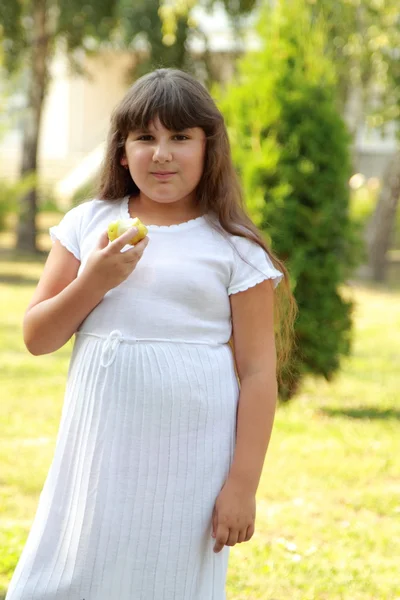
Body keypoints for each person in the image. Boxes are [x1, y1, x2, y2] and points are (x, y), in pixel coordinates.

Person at [6, 68, 296, 600]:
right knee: (74, 571)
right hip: (99, 455)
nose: (161, 153)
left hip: (192, 463)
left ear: (210, 148)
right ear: (122, 152)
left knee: (168, 578)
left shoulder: (234, 249)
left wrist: (242, 485)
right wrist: (94, 281)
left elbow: (258, 373)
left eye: (180, 137)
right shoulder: (88, 224)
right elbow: (37, 336)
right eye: (145, 138)